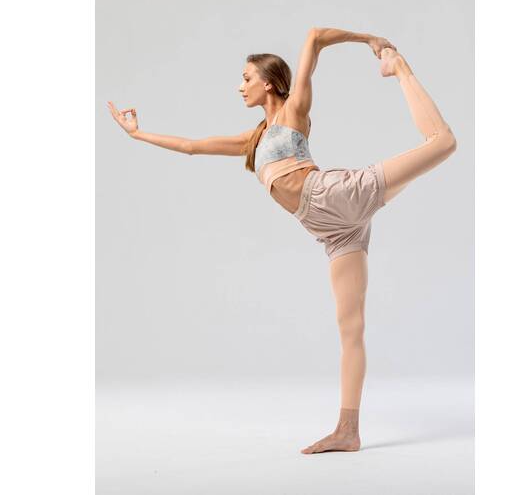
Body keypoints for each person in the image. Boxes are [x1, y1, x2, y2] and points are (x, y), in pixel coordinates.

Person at [108, 27, 457, 454]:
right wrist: (137, 134)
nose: (240, 87)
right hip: (334, 230)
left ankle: (400, 69)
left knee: (442, 143)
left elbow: (315, 37)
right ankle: (347, 431)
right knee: (351, 328)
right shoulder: (253, 138)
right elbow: (191, 146)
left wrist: (368, 39)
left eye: (246, 78)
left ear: (269, 83)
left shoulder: (294, 112)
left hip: (333, 195)